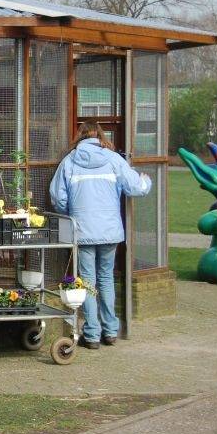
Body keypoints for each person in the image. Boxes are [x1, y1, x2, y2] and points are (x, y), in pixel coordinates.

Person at [50, 122, 152, 349]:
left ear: (80, 136)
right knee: (106, 278)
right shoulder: (114, 159)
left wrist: (71, 213)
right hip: (109, 231)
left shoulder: (69, 161)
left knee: (87, 282)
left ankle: (92, 334)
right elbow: (136, 187)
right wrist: (146, 180)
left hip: (83, 230)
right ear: (100, 137)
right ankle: (110, 331)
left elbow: (58, 198)